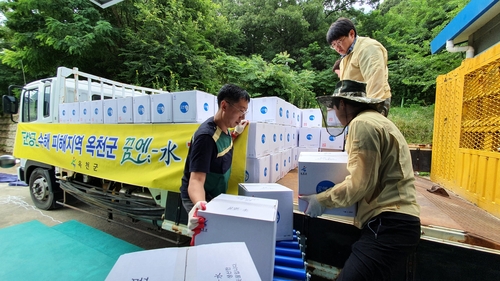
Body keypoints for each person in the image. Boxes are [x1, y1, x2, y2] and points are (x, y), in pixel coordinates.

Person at [299, 80, 421, 281]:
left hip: (388, 224)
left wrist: (322, 200)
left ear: (343, 104)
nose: (334, 114)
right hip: (394, 222)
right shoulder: (378, 120)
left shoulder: (361, 124)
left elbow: (360, 183)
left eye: (333, 107)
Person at [179, 84, 250, 237]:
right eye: (241, 110)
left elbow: (221, 145)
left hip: (214, 193)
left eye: (245, 111)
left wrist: (236, 133)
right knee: (206, 239)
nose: (243, 117)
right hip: (200, 197)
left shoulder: (224, 129)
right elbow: (196, 180)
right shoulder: (206, 137)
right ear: (224, 105)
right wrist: (200, 206)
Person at [327, 17, 391, 116]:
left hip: (373, 103)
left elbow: (375, 81)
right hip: (356, 104)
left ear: (351, 34)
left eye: (339, 42)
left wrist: (372, 111)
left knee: (367, 130)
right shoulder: (345, 58)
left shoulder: (368, 48)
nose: (337, 48)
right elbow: (346, 87)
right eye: (333, 45)